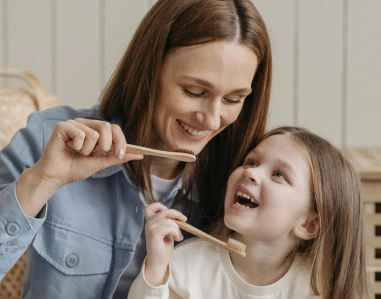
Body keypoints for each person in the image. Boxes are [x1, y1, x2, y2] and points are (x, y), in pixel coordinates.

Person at [0, 0, 272, 298]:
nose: (211, 118)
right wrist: (43, 180)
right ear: (149, 69)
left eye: (233, 100)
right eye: (194, 92)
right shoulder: (48, 138)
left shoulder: (240, 185)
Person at [129, 126, 369, 299]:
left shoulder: (318, 289)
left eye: (279, 175)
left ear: (309, 225)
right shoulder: (185, 266)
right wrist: (157, 268)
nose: (251, 173)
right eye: (251, 162)